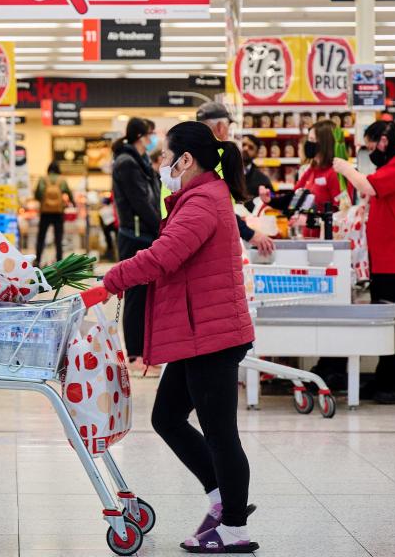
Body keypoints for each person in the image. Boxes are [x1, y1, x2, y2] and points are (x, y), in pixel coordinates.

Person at [103, 121, 258, 554]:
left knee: (219, 431)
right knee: (168, 418)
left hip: (213, 335)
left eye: (167, 157)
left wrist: (110, 280)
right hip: (200, 331)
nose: (163, 165)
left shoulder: (203, 202)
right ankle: (221, 501)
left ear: (186, 159)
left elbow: (162, 257)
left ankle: (234, 528)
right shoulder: (197, 197)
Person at [333, 120, 395, 404]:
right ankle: (386, 378)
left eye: (370, 143)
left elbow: (369, 187)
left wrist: (345, 168)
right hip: (389, 258)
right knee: (390, 324)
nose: (369, 149)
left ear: (384, 140)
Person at [111, 117, 161, 360]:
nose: (153, 139)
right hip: (135, 236)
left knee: (144, 295)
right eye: (151, 134)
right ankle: (134, 351)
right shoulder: (126, 163)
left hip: (144, 235)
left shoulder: (138, 161)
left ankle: (143, 348)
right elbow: (140, 202)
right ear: (142, 135)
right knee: (134, 294)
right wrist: (162, 227)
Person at [197, 101, 274, 254]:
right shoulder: (214, 160)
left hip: (188, 236)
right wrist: (249, 233)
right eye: (228, 127)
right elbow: (219, 209)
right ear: (220, 127)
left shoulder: (190, 157)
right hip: (205, 242)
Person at [295, 120, 346, 237]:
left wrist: (314, 221)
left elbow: (343, 213)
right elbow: (296, 192)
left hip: (327, 242)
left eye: (312, 140)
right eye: (309, 140)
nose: (308, 144)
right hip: (309, 238)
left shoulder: (335, 172)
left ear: (324, 143)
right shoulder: (312, 168)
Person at [33, 161, 71, 268]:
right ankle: (59, 263)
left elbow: (38, 194)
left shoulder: (43, 179)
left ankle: (37, 261)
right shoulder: (62, 180)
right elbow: (68, 194)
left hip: (45, 213)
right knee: (58, 239)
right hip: (58, 213)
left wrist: (45, 201)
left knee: (41, 238)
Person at [239, 135, 274, 213]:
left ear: (256, 153)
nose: (245, 149)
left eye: (251, 147)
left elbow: (272, 198)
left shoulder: (263, 180)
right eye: (243, 145)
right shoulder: (225, 172)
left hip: (251, 222)